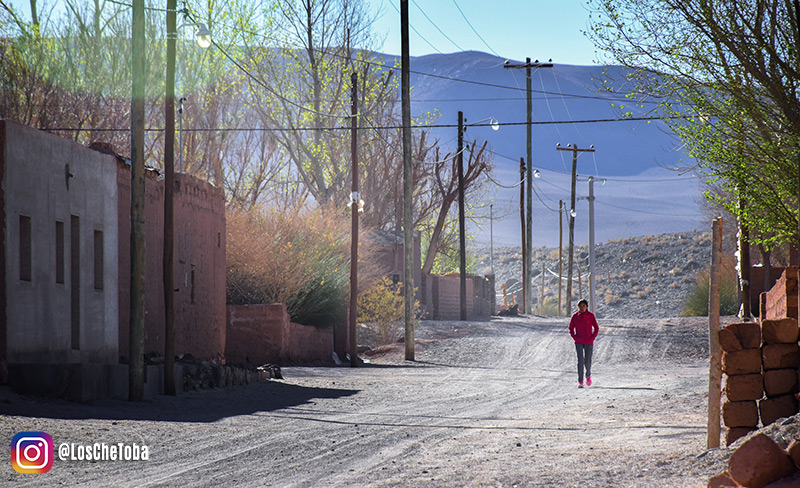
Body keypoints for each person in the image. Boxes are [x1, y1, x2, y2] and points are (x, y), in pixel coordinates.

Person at [568, 299, 599, 388]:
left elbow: (596, 328)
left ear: (586, 307)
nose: (581, 308)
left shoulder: (591, 316)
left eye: (583, 306)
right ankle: (580, 381)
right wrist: (575, 337)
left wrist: (592, 338)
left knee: (587, 361)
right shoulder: (575, 316)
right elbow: (570, 328)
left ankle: (588, 375)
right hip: (579, 341)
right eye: (580, 307)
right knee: (580, 361)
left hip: (589, 341)